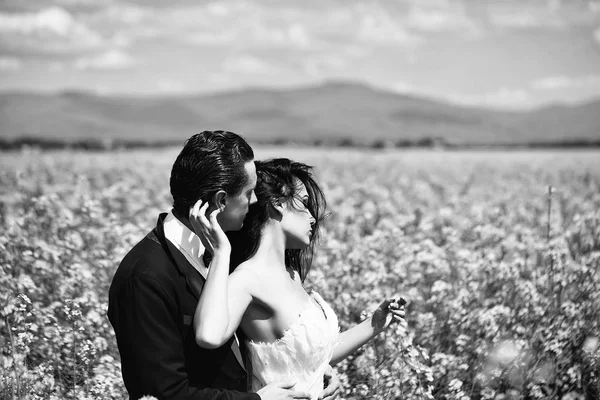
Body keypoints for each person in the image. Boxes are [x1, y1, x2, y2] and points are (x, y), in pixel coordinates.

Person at [107, 132, 340, 400]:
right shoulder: (146, 276)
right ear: (220, 201)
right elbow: (163, 392)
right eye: (249, 193)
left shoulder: (224, 248)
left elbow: (260, 341)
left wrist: (313, 367)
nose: (255, 202)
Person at [189, 158, 406, 399]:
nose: (313, 218)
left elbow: (312, 354)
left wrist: (374, 324)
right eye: (304, 203)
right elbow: (208, 336)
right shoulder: (247, 278)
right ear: (277, 203)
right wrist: (221, 253)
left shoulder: (291, 275)